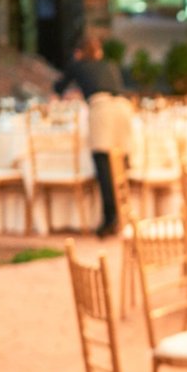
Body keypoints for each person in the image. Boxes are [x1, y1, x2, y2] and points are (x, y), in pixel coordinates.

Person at [53, 40, 130, 237]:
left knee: (103, 164)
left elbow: (58, 87)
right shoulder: (110, 65)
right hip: (124, 108)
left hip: (102, 109)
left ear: (79, 53)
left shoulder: (78, 65)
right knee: (120, 163)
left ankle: (109, 219)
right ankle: (126, 216)